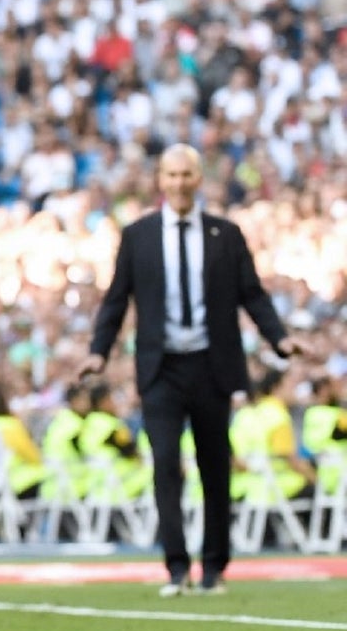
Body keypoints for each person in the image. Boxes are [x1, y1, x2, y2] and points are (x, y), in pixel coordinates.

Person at [78, 143, 311, 597]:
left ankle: (214, 567)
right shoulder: (138, 235)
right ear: (159, 181)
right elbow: (116, 299)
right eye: (171, 175)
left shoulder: (226, 234)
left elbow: (254, 294)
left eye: (187, 174)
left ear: (198, 178)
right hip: (161, 368)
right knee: (165, 462)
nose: (179, 183)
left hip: (211, 366)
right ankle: (176, 567)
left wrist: (279, 339)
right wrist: (98, 352)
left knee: (215, 466)